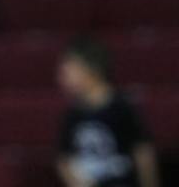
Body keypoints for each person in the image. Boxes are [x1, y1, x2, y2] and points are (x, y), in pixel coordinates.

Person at [57, 38, 160, 187]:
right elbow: (64, 159)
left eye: (69, 71)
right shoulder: (73, 114)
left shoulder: (122, 108)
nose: (62, 78)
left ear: (92, 69)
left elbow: (143, 152)